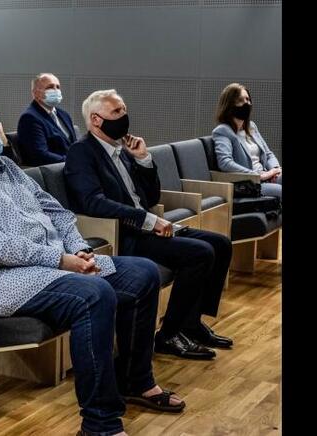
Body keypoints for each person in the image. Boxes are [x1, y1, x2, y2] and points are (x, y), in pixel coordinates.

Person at [0, 97, 185, 436]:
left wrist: (79, 248)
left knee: (143, 274)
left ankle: (135, 381)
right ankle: (100, 424)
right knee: (94, 294)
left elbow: (55, 211)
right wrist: (61, 260)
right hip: (4, 279)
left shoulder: (7, 167)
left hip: (57, 261)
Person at [64, 89, 233, 360]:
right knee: (200, 253)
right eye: (117, 111)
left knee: (221, 244)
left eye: (124, 109)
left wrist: (143, 160)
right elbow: (92, 202)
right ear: (96, 120)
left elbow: (150, 197)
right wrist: (147, 219)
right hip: (125, 234)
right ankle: (169, 335)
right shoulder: (82, 152)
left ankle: (191, 324)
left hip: (146, 226)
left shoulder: (122, 150)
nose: (124, 116)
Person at [212, 83, 282, 199]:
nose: (247, 103)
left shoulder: (252, 127)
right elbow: (225, 163)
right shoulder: (223, 131)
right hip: (250, 184)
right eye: (241, 100)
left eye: (248, 99)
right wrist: (258, 175)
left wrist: (275, 170)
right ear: (229, 105)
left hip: (267, 175)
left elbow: (268, 154)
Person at [16, 73, 77, 166]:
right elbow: (40, 155)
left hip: (72, 166)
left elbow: (74, 144)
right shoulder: (29, 118)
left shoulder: (64, 115)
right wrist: (71, 161)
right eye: (50, 87)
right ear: (35, 93)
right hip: (53, 170)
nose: (56, 90)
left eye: (58, 87)